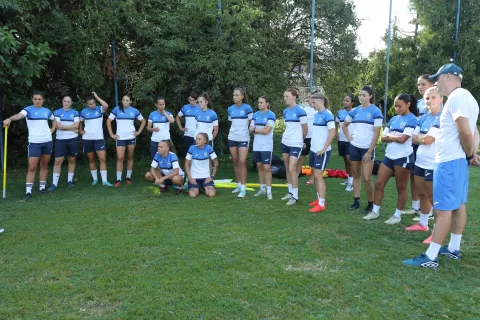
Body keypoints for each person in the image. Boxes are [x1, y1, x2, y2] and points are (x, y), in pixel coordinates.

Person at [403, 63, 479, 268]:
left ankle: (431, 256)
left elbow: (466, 131)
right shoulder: (468, 97)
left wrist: (471, 153)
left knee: (443, 209)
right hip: (457, 161)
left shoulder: (457, 97)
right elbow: (474, 130)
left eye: (438, 78)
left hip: (449, 161)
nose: (435, 82)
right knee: (457, 205)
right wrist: (472, 154)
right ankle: (454, 248)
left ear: (448, 77)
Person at [363, 94, 418, 223]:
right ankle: (375, 211)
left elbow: (403, 139)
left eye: (400, 106)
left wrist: (391, 137)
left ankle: (397, 215)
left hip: (403, 158)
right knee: (379, 184)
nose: (397, 109)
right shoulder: (393, 119)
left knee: (401, 188)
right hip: (389, 156)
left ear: (408, 104)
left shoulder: (412, 119)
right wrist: (395, 137)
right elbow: (383, 138)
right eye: (396, 106)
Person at [2, 90, 56, 200]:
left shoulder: (47, 111)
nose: (37, 101)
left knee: (44, 165)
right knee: (32, 167)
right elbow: (19, 115)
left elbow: (53, 120)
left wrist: (53, 128)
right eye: (35, 99)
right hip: (34, 143)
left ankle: (42, 188)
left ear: (43, 100)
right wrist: (9, 119)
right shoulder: (28, 110)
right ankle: (28, 192)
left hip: (47, 141)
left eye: (39, 99)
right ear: (32, 99)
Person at [405, 87, 442, 242]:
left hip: (433, 163)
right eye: (427, 98)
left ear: (441, 99)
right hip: (420, 161)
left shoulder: (442, 118)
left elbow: (427, 140)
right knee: (422, 195)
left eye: (433, 97)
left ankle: (437, 232)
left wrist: (421, 137)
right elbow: (413, 138)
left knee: (434, 199)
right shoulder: (423, 118)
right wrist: (422, 137)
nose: (429, 101)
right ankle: (423, 224)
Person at [342, 86, 383, 214]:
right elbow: (344, 125)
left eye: (364, 95)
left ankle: (370, 204)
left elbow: (377, 134)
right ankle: (356, 201)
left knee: (366, 178)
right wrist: (349, 138)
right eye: (360, 95)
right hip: (354, 146)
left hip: (367, 148)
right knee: (356, 175)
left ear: (370, 96)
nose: (361, 97)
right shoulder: (355, 111)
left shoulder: (376, 112)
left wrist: (370, 151)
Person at [403, 75, 436, 215]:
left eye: (423, 84)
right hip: (417, 144)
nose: (420, 87)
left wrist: (420, 137)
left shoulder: (438, 104)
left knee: (429, 181)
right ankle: (416, 207)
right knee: (414, 175)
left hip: (431, 147)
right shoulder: (417, 103)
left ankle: (429, 211)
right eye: (418, 84)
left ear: (432, 85)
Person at [107, 94, 146, 186]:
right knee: (120, 158)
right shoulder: (117, 109)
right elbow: (108, 121)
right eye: (123, 100)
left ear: (130, 101)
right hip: (120, 138)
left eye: (127, 100)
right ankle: (118, 179)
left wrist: (138, 132)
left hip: (131, 137)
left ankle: (128, 177)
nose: (125, 102)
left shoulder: (134, 111)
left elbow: (143, 121)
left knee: (130, 157)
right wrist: (111, 134)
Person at [307, 93, 336, 213]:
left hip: (321, 152)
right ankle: (318, 199)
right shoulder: (317, 115)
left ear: (321, 101)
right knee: (315, 173)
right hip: (314, 150)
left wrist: (324, 149)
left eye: (314, 102)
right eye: (311, 102)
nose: (312, 104)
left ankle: (322, 203)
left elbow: (333, 132)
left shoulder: (328, 115)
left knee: (318, 177)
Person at [280, 88, 308, 205]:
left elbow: (305, 129)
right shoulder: (285, 111)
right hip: (285, 142)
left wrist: (301, 140)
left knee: (292, 169)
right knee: (287, 168)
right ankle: (290, 192)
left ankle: (295, 196)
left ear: (294, 97)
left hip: (296, 144)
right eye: (284, 96)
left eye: (287, 96)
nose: (285, 98)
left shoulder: (301, 111)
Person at [79, 92, 113, 186]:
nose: (92, 105)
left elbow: (106, 105)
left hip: (99, 138)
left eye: (93, 103)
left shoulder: (100, 109)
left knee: (102, 159)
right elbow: (80, 122)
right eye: (90, 104)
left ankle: (104, 181)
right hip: (87, 138)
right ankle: (95, 179)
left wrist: (97, 96)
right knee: (91, 159)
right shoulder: (83, 112)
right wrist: (80, 130)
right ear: (86, 104)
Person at [48, 96, 79, 191]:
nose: (66, 103)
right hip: (60, 139)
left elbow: (77, 125)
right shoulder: (57, 112)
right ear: (62, 102)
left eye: (68, 101)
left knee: (72, 160)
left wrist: (63, 127)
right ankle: (54, 184)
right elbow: (57, 125)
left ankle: (70, 181)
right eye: (65, 101)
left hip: (73, 139)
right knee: (58, 161)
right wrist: (72, 127)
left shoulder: (75, 112)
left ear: (71, 103)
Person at [228, 87, 253, 198]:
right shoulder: (230, 109)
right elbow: (232, 123)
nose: (234, 97)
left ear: (242, 96)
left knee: (242, 162)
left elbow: (251, 123)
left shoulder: (247, 108)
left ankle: (243, 188)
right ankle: (238, 185)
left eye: (237, 95)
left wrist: (247, 133)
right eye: (234, 95)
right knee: (235, 161)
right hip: (232, 137)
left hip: (243, 138)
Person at [250, 95, 276, 200]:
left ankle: (269, 191)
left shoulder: (271, 115)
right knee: (259, 166)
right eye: (258, 102)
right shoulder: (255, 115)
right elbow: (250, 128)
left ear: (267, 103)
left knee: (267, 168)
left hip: (266, 146)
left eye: (261, 102)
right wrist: (259, 129)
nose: (259, 104)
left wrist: (255, 129)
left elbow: (267, 131)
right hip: (257, 145)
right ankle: (262, 188)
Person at [185, 132, 219, 198]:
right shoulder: (192, 148)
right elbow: (186, 163)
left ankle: (202, 187)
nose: (197, 141)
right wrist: (189, 177)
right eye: (196, 139)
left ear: (205, 141)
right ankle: (199, 187)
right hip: (194, 176)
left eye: (199, 139)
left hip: (206, 176)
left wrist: (212, 176)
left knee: (211, 194)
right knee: (193, 195)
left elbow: (216, 163)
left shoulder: (209, 148)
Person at [335, 94, 355, 191]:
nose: (345, 102)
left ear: (352, 103)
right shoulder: (340, 113)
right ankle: (349, 179)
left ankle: (352, 183)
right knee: (345, 161)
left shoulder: (355, 113)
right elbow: (336, 123)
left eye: (347, 101)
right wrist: (336, 133)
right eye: (344, 100)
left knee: (349, 161)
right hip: (341, 140)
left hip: (350, 140)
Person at [298, 92, 317, 186]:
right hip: (305, 137)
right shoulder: (303, 110)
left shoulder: (318, 110)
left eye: (311, 97)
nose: (309, 99)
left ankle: (312, 179)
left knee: (313, 159)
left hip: (315, 138)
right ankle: (295, 176)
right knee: (301, 157)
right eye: (308, 97)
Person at [175, 91, 199, 156]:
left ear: (196, 100)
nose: (191, 102)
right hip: (187, 134)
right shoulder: (185, 107)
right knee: (188, 154)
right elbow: (177, 117)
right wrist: (180, 128)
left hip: (198, 134)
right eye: (190, 100)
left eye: (193, 100)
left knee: (197, 153)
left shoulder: (200, 107)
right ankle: (187, 166)